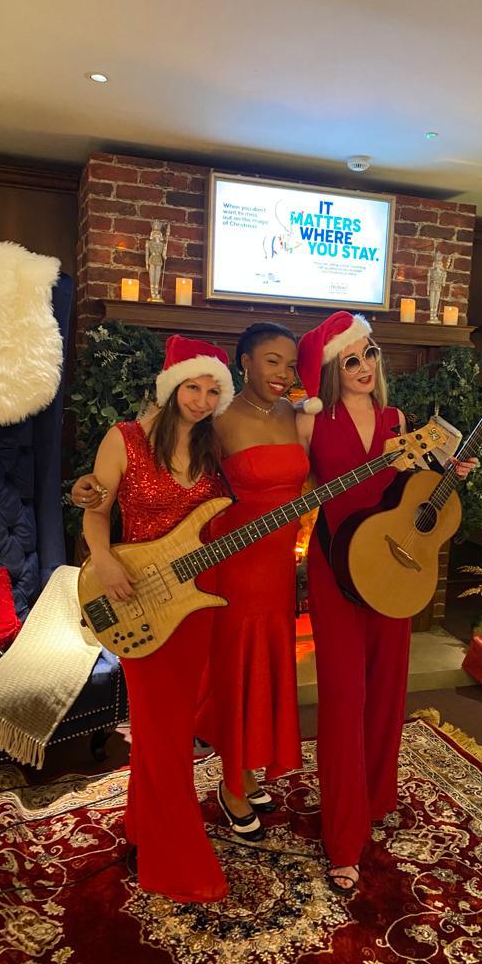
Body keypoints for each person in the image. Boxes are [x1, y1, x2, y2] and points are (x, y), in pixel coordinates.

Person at [294, 311, 477, 897]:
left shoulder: (400, 421)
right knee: (345, 697)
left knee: (387, 686)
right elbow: (285, 486)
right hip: (335, 568)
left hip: (395, 567)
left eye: (370, 354)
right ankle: (343, 836)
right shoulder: (310, 422)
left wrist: (450, 472)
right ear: (332, 370)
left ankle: (375, 798)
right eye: (351, 360)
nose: (365, 367)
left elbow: (415, 492)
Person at [81, 334, 234, 904]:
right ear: (172, 388)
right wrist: (103, 560)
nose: (201, 399)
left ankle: (146, 828)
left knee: (166, 729)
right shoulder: (124, 439)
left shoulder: (213, 447)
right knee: (161, 731)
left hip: (193, 605)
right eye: (193, 387)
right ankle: (176, 859)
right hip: (133, 598)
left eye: (212, 389)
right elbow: (95, 512)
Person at [195, 322, 308, 841]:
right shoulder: (217, 418)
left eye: (289, 363)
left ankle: (247, 766)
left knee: (267, 665)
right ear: (243, 362)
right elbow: (177, 477)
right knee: (237, 669)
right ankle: (231, 784)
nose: (283, 374)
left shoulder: (295, 415)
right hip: (235, 567)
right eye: (271, 361)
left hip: (280, 567)